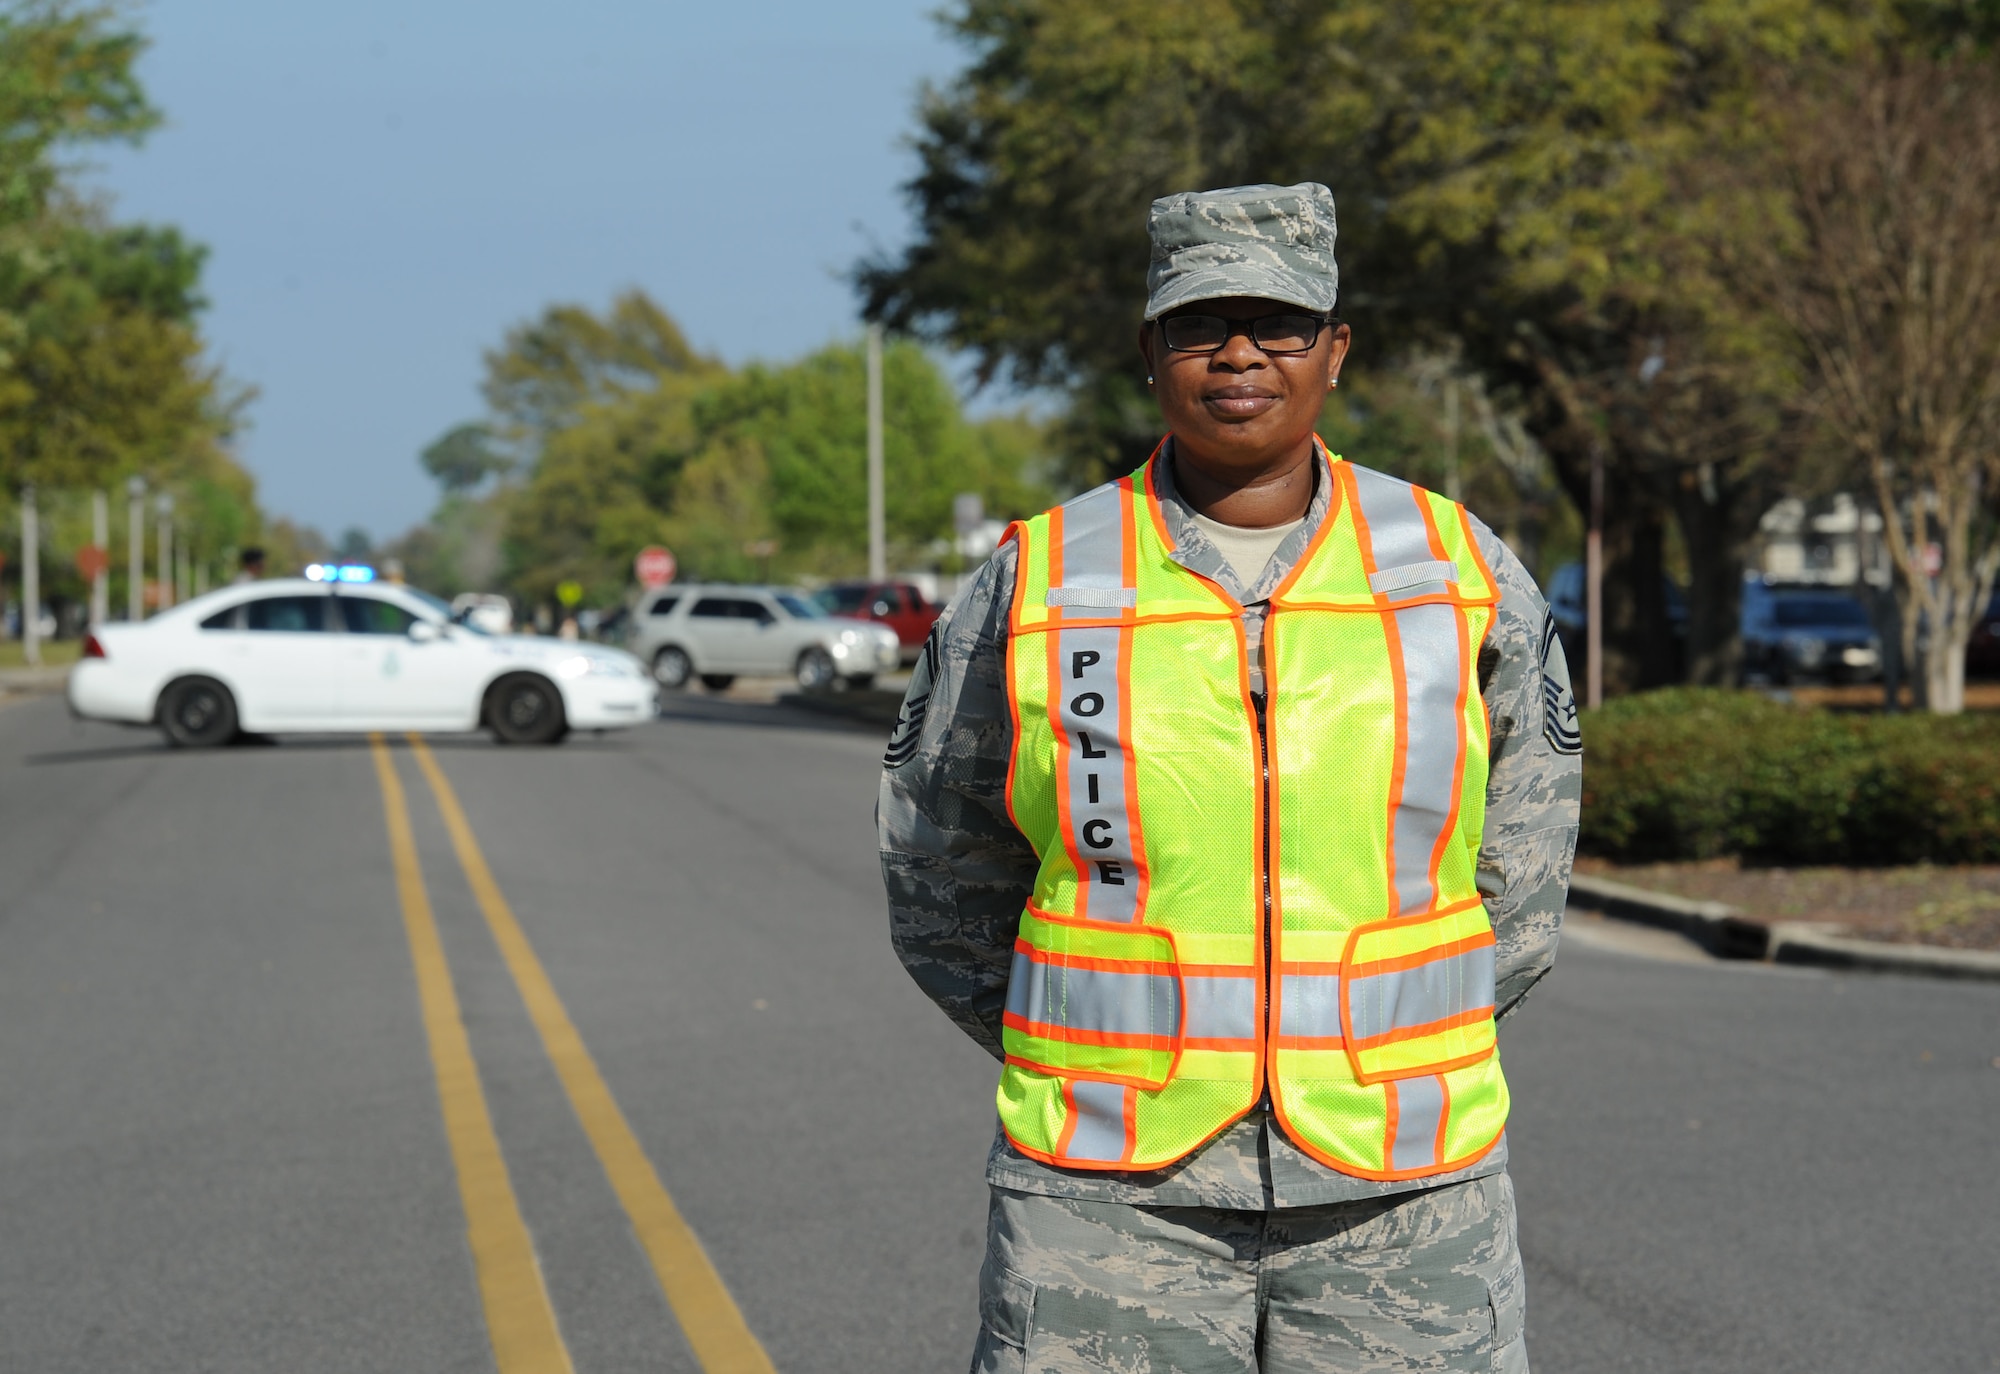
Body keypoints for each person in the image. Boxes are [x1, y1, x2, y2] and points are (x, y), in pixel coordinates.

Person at [878, 183, 1582, 1373]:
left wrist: (1371, 1046)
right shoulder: (1036, 581)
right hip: (1104, 1201)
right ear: (1150, 352)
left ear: (1335, 349)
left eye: (1280, 323)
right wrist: (1094, 1050)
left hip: (1404, 1199)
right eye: (1200, 325)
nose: (1240, 353)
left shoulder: (1455, 569)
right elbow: (937, 869)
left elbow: (1522, 870)